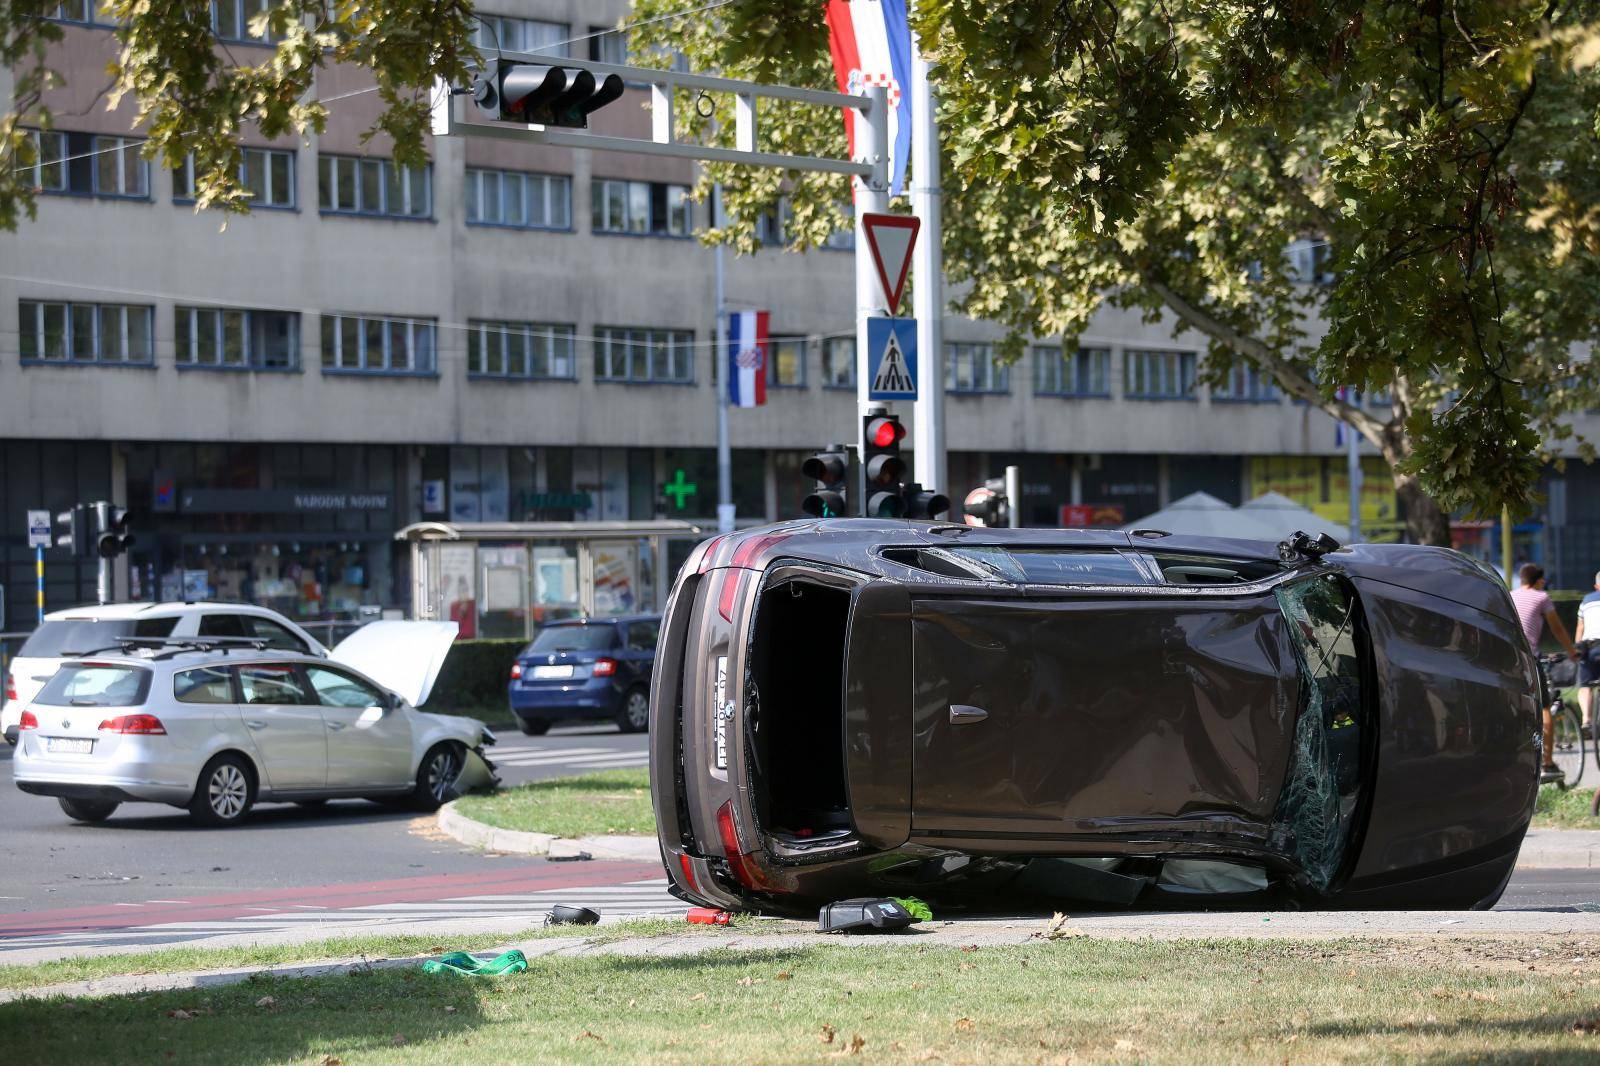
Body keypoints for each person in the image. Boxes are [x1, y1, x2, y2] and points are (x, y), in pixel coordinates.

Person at [1512, 564, 1582, 783]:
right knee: (1544, 708)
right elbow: (1557, 628)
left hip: (1508, 657)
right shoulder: (1541, 597)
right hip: (1529, 658)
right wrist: (1572, 651)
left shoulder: (1510, 596)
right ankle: (1547, 763)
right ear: (1540, 581)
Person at [1575, 569, 1600, 736]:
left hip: (1589, 647)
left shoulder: (1586, 600)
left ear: (1596, 586)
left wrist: (1577, 649)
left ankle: (1586, 720)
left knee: (1585, 686)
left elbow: (1581, 627)